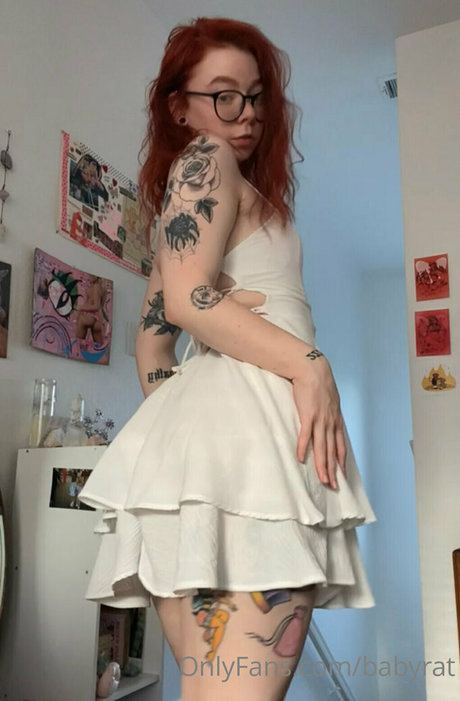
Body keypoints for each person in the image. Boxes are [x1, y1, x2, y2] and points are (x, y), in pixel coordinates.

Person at [79, 17, 377, 701]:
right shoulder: (208, 159)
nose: (245, 114)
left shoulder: (210, 187)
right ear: (178, 107)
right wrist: (310, 364)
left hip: (220, 471)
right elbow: (188, 301)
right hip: (253, 471)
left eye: (256, 95)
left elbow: (154, 341)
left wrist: (187, 446)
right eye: (223, 95)